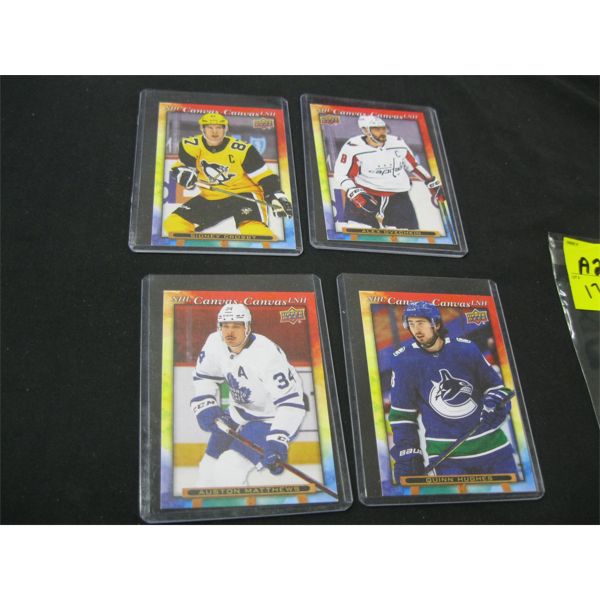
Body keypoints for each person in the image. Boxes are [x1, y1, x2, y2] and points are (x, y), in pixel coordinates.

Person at [388, 301, 517, 482]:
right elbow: (402, 416)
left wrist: (496, 403)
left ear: (436, 324)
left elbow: (496, 387)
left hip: (494, 450)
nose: (416, 330)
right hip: (447, 459)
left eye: (421, 323)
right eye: (411, 324)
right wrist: (407, 455)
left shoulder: (466, 349)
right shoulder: (404, 361)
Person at [191, 303, 307, 487]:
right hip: (239, 412)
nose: (230, 332)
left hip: (270, 418)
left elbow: (291, 402)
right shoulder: (214, 342)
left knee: (229, 467)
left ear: (248, 327)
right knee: (207, 468)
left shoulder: (266, 354)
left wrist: (277, 440)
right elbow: (204, 377)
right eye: (225, 326)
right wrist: (205, 405)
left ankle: (236, 504)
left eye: (236, 326)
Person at [164, 112, 292, 238]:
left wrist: (275, 194)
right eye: (210, 127)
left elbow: (265, 177)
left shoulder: (242, 150)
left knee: (253, 230)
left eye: (219, 127)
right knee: (174, 223)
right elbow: (181, 168)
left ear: (225, 129)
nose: (214, 131)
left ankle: (274, 247)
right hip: (212, 196)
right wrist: (182, 173)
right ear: (202, 129)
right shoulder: (191, 146)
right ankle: (192, 248)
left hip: (243, 194)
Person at [333, 115, 443, 230]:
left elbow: (413, 166)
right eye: (376, 129)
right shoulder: (353, 147)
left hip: (399, 198)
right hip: (367, 196)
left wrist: (430, 181)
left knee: (410, 234)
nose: (382, 132)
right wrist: (353, 192)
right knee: (359, 233)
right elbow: (341, 173)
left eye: (383, 128)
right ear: (365, 130)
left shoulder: (397, 142)